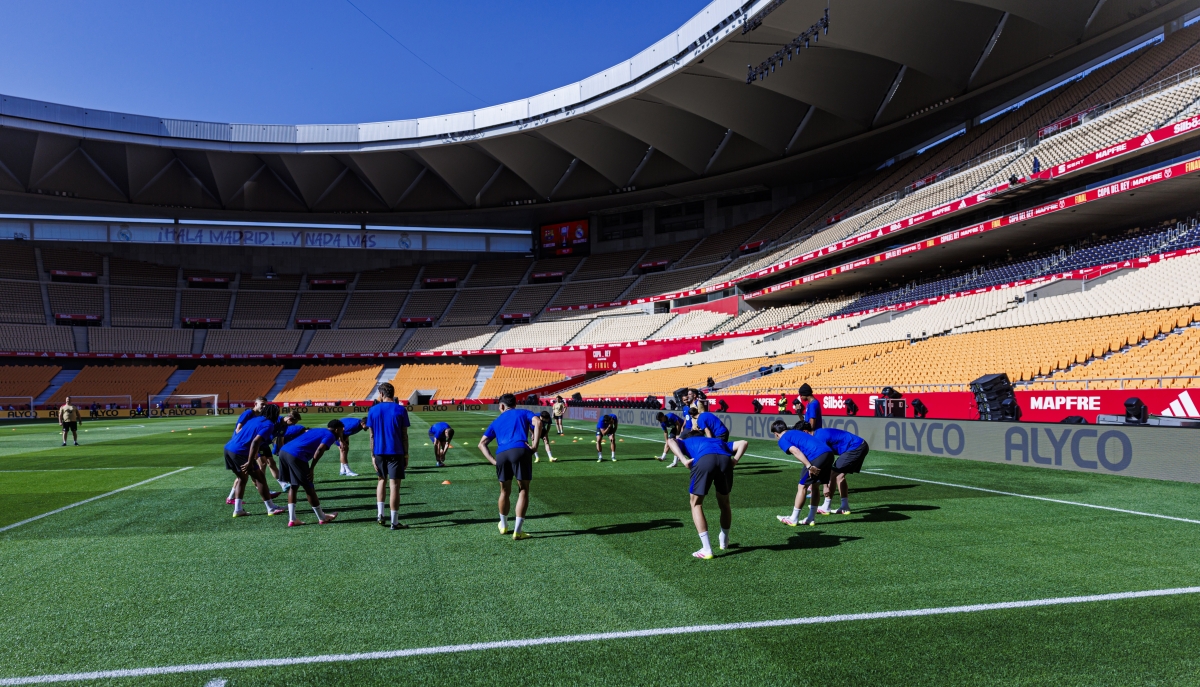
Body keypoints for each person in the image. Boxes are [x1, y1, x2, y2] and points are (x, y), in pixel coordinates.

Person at [666, 430, 748, 559]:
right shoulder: (716, 441)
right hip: (725, 461)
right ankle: (724, 541)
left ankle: (706, 549)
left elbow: (670, 441)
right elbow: (744, 442)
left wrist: (683, 460)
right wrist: (735, 461)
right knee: (725, 503)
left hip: (704, 460)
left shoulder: (686, 442)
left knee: (696, 504)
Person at [478, 393, 542, 540]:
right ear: (514, 404)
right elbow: (538, 422)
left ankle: (504, 525)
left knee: (504, 491)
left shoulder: (497, 420)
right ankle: (518, 531)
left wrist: (493, 461)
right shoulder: (523, 412)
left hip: (501, 454)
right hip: (520, 450)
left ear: (501, 406)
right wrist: (535, 446)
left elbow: (481, 444)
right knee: (523, 489)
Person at [223, 403, 284, 518]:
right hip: (240, 451)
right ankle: (271, 508)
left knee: (242, 478)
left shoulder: (254, 419)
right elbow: (255, 442)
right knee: (260, 478)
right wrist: (250, 461)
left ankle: (238, 510)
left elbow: (241, 433)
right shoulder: (269, 424)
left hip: (229, 448)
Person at [276, 420, 342, 527]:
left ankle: (292, 519)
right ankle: (322, 518)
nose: (342, 432)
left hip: (284, 451)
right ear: (337, 429)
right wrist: (312, 468)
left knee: (294, 485)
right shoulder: (331, 435)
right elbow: (320, 449)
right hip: (296, 454)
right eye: (342, 430)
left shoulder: (318, 430)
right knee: (309, 487)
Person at [770, 420, 835, 526]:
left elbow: (795, 451)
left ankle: (794, 518)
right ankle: (811, 518)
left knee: (802, 486)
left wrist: (809, 466)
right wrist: (826, 484)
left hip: (816, 455)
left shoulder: (782, 439)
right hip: (829, 453)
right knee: (815, 485)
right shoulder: (795, 432)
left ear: (776, 434)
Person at [365, 382, 410, 530]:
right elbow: (404, 435)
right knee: (395, 485)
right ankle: (394, 522)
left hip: (379, 451)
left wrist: (372, 455)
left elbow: (371, 436)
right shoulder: (401, 409)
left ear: (382, 394)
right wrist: (406, 454)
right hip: (396, 451)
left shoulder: (373, 410)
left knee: (381, 480)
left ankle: (380, 514)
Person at [814, 425, 869, 515]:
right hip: (859, 446)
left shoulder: (819, 437)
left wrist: (825, 486)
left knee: (832, 474)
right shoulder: (818, 433)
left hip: (855, 447)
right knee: (839, 476)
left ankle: (826, 506)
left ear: (805, 432)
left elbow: (826, 459)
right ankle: (844, 507)